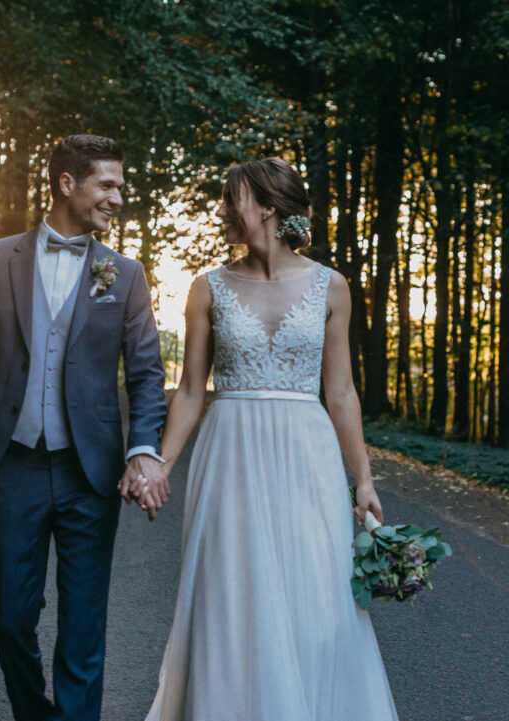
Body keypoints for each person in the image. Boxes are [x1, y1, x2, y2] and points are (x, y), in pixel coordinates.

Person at [123, 157, 400, 720]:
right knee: (232, 595)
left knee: (316, 597)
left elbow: (341, 391)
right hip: (230, 455)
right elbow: (191, 392)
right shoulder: (207, 288)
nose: (223, 210)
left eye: (234, 200)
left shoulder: (332, 286)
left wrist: (364, 479)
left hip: (308, 456)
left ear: (268, 209)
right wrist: (160, 465)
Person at [0, 134, 169, 721]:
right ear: (66, 183)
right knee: (9, 615)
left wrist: (144, 449)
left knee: (83, 623)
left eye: (121, 186)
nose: (118, 197)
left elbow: (148, 376)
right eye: (107, 184)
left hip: (91, 473)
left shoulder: (123, 274)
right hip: (13, 467)